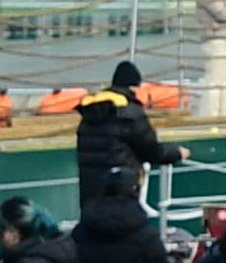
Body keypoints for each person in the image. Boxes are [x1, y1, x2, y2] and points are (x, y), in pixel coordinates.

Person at [73, 61, 184, 209]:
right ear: (132, 86)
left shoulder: (89, 112)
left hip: (91, 192)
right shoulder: (129, 111)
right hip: (122, 191)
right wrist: (177, 153)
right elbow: (151, 150)